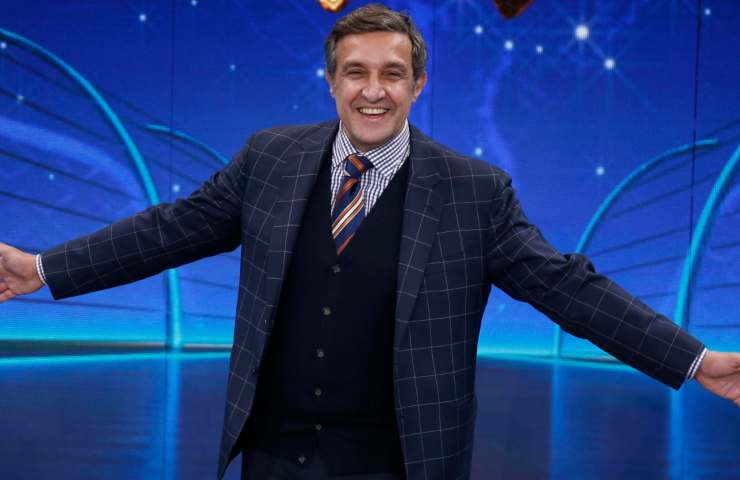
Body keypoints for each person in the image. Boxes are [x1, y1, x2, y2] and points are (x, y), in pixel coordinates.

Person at [0, 4, 738, 480]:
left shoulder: (475, 192)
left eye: (392, 73)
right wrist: (42, 269)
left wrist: (696, 362)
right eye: (356, 73)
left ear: (418, 85)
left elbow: (569, 287)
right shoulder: (270, 158)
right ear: (331, 82)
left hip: (400, 463)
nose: (373, 90)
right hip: (273, 457)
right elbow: (169, 230)